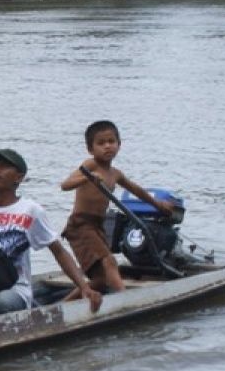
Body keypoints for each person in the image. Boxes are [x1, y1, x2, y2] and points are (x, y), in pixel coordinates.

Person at [0, 110, 102, 315]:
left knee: (1, 303)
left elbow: (58, 250)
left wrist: (84, 287)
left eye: (4, 167)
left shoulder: (30, 211)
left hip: (12, 287)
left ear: (19, 177)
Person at [59, 120, 175, 294]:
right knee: (110, 261)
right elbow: (65, 185)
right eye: (101, 143)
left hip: (98, 226)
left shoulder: (115, 174)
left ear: (119, 145)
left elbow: (137, 190)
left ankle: (64, 305)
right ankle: (124, 298)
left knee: (100, 281)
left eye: (111, 142)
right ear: (90, 149)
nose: (107, 146)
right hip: (81, 224)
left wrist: (158, 205)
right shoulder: (90, 165)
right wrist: (88, 178)